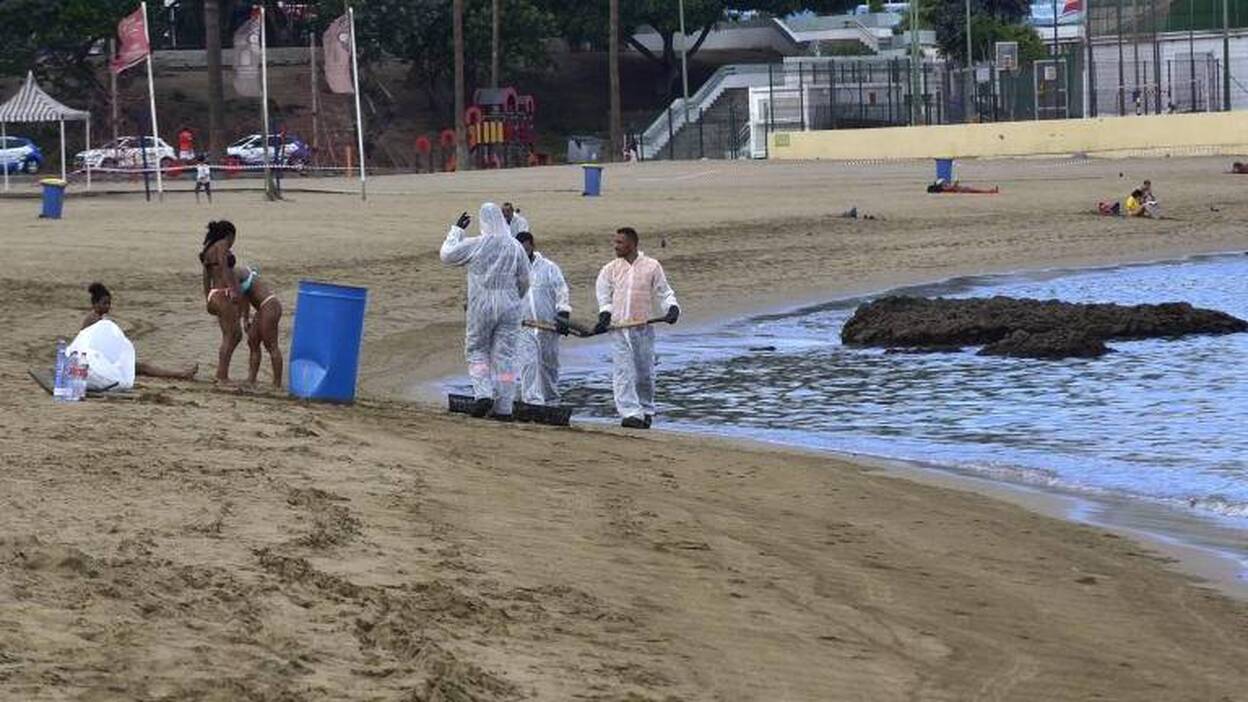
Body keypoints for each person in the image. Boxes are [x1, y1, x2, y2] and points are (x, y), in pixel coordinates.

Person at [440, 203, 531, 420]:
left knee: (477, 350)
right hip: (509, 305)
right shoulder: (515, 247)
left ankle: (483, 394)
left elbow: (446, 255)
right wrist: (515, 298)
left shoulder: (477, 244)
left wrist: (456, 230)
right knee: (506, 357)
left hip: (481, 304)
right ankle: (504, 407)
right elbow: (525, 278)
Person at [594, 227, 679, 429]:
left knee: (644, 372)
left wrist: (672, 308)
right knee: (623, 372)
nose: (615, 246)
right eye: (615, 242)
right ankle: (630, 413)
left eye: (619, 243)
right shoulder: (610, 269)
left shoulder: (652, 266)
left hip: (642, 328)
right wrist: (605, 313)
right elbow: (603, 293)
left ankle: (646, 410)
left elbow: (664, 292)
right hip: (619, 328)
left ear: (632, 244)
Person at [82, 282, 198, 380]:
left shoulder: (97, 318)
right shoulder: (94, 319)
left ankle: (179, 374)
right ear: (95, 304)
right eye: (104, 303)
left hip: (101, 359)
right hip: (97, 362)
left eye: (109, 303)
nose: (108, 306)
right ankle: (180, 375)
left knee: (142, 367)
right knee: (143, 367)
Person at [515, 231, 571, 406]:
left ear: (532, 245)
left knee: (549, 366)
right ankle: (532, 402)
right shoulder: (511, 270)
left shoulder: (549, 267)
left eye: (525, 248)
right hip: (524, 327)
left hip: (549, 326)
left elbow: (561, 290)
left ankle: (551, 400)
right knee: (528, 364)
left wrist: (563, 314)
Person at [199, 220, 245, 383]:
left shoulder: (209, 249)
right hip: (222, 293)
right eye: (234, 238)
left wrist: (207, 298)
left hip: (214, 293)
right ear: (230, 235)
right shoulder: (223, 244)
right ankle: (222, 375)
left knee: (236, 335)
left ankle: (222, 371)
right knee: (229, 335)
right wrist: (232, 290)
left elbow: (205, 276)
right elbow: (225, 268)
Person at [236, 265, 284, 389]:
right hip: (263, 307)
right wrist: (246, 318)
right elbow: (245, 296)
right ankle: (251, 379)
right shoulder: (240, 272)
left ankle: (277, 383)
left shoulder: (235, 273)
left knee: (271, 345)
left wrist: (245, 318)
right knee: (253, 341)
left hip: (269, 305)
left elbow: (242, 297)